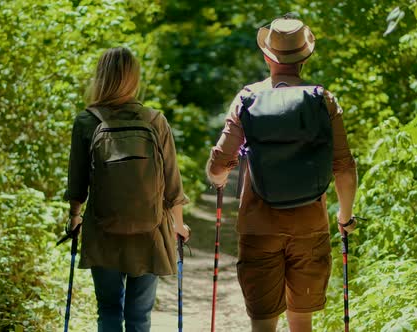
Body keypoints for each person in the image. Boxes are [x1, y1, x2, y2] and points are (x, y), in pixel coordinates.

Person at [206, 17, 358, 332]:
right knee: (301, 321)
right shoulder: (322, 100)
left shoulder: (247, 98)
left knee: (263, 323)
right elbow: (343, 166)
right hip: (309, 226)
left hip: (258, 226)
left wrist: (218, 180)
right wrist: (345, 217)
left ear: (267, 56)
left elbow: (219, 165)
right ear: (304, 58)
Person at [64, 47, 190, 332]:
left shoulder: (87, 120)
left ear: (101, 77)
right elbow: (172, 183)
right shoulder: (155, 120)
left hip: (103, 230)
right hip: (151, 231)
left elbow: (77, 181)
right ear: (134, 78)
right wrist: (178, 225)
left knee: (108, 311)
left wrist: (74, 217)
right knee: (139, 316)